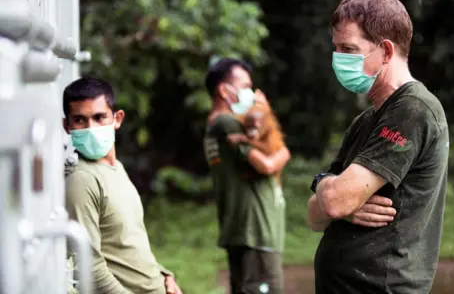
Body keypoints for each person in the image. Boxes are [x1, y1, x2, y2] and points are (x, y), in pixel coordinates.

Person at [307, 0, 449, 294]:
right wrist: (335, 196)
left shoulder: (413, 110)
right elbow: (315, 215)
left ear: (385, 51)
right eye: (336, 48)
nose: (338, 59)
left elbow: (333, 201)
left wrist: (329, 191)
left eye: (349, 49)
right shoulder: (366, 121)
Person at [63, 77, 182, 294]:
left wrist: (165, 276)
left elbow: (130, 241)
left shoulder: (116, 167)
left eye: (99, 117)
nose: (91, 128)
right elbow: (88, 266)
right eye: (80, 120)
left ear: (117, 119)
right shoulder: (82, 179)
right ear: (67, 126)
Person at [203, 58, 291, 294]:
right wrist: (283, 152)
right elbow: (267, 163)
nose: (250, 94)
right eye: (245, 86)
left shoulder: (219, 125)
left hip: (246, 229)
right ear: (224, 90)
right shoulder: (226, 122)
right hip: (255, 229)